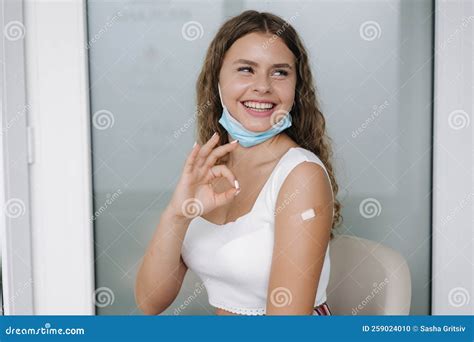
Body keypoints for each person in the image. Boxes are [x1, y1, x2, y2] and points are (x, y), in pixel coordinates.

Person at [135, 10, 342, 316]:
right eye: (246, 69)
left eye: (280, 72)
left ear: (296, 89)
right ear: (217, 79)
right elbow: (151, 301)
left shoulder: (301, 177)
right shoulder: (209, 165)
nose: (263, 86)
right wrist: (177, 215)